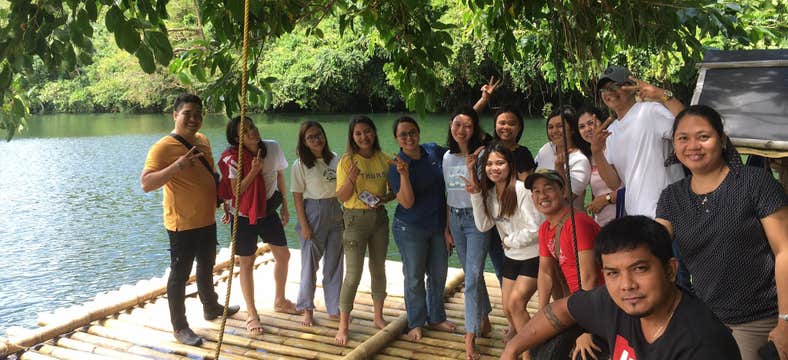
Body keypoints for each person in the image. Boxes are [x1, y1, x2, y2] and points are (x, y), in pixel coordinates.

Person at [501, 216, 742, 360]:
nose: (626, 285)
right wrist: (513, 349)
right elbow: (561, 310)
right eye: (613, 273)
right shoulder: (613, 301)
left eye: (640, 269)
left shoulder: (702, 345)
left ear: (670, 270)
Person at [655, 105, 788, 360]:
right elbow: (652, 244)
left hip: (760, 320)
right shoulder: (672, 197)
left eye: (703, 136)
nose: (693, 145)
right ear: (674, 144)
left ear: (722, 139)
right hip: (708, 319)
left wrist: (785, 321)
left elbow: (785, 251)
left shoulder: (754, 183)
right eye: (683, 138)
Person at [140, 94, 239, 346]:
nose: (193, 119)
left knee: (207, 265)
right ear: (175, 115)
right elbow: (147, 183)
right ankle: (180, 327)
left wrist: (223, 200)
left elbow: (213, 174)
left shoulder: (203, 140)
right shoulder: (162, 147)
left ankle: (211, 306)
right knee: (179, 275)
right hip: (181, 224)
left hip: (207, 218)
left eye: (198, 114)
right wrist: (177, 167)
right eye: (187, 113)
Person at [218, 115, 299, 335]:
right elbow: (236, 192)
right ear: (237, 138)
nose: (252, 132)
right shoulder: (233, 158)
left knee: (283, 255)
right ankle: (252, 313)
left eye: (252, 127)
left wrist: (284, 204)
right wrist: (254, 171)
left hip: (268, 210)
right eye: (245, 131)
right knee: (246, 262)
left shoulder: (272, 147)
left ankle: (280, 300)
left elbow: (280, 175)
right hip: (243, 215)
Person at [466, 142, 544, 350]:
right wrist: (475, 195)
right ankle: (532, 346)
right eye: (490, 164)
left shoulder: (522, 190)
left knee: (516, 305)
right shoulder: (490, 194)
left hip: (533, 257)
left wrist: (509, 241)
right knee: (508, 309)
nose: (494, 168)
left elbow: (537, 228)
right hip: (512, 258)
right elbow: (483, 225)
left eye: (500, 162)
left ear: (510, 165)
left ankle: (530, 352)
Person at [388, 116, 456, 341]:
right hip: (411, 228)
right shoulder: (396, 164)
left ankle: (436, 317)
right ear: (397, 139)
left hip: (437, 226)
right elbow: (406, 202)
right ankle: (415, 322)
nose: (409, 137)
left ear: (418, 132)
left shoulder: (432, 151)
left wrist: (479, 106)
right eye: (403, 134)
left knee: (438, 274)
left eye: (412, 132)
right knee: (414, 277)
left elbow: (459, 135)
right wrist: (404, 174)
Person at [525, 169, 605, 360]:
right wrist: (541, 314)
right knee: (536, 347)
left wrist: (586, 329)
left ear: (563, 192)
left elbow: (590, 276)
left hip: (598, 304)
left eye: (548, 189)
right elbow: (545, 272)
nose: (541, 195)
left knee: (581, 353)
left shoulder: (577, 224)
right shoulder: (545, 228)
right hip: (574, 304)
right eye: (536, 191)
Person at [590, 65, 685, 218]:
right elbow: (614, 182)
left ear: (631, 87)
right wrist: (596, 151)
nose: (610, 93)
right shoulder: (611, 130)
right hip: (635, 215)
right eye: (604, 89)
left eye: (616, 86)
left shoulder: (650, 111)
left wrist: (663, 95)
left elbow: (690, 128)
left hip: (666, 214)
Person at [334, 115, 393, 345]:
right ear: (352, 137)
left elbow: (394, 191)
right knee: (353, 275)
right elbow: (341, 196)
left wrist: (384, 198)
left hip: (379, 219)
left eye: (367, 131)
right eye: (358, 133)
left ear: (374, 133)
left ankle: (378, 317)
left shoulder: (383, 159)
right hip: (354, 220)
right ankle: (343, 326)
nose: (363, 137)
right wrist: (350, 179)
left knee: (378, 268)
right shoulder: (347, 161)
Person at [443, 106, 493, 359]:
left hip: (476, 220)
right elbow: (447, 195)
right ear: (451, 126)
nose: (462, 130)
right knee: (473, 274)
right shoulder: (446, 157)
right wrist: (446, 228)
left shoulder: (483, 155)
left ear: (475, 129)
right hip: (455, 219)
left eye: (468, 126)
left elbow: (486, 189)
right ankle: (484, 317)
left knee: (472, 277)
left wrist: (473, 168)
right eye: (457, 125)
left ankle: (469, 336)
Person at [291, 120, 344, 327]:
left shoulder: (335, 159)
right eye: (310, 137)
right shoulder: (301, 164)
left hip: (335, 211)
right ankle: (307, 309)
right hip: (313, 212)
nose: (316, 140)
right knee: (309, 265)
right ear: (304, 142)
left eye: (319, 135)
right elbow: (296, 197)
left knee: (335, 263)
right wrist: (304, 225)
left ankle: (333, 307)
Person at [534, 106, 591, 210]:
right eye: (550, 127)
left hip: (568, 222)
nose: (554, 131)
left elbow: (566, 198)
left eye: (560, 126)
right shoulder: (546, 148)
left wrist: (559, 168)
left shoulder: (580, 160)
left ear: (572, 129)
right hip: (544, 220)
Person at [577, 106, 616, 226]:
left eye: (591, 123)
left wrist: (605, 199)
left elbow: (632, 188)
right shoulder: (588, 156)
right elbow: (595, 193)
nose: (587, 129)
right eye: (582, 127)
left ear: (602, 121)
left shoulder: (615, 148)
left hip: (623, 218)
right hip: (601, 223)